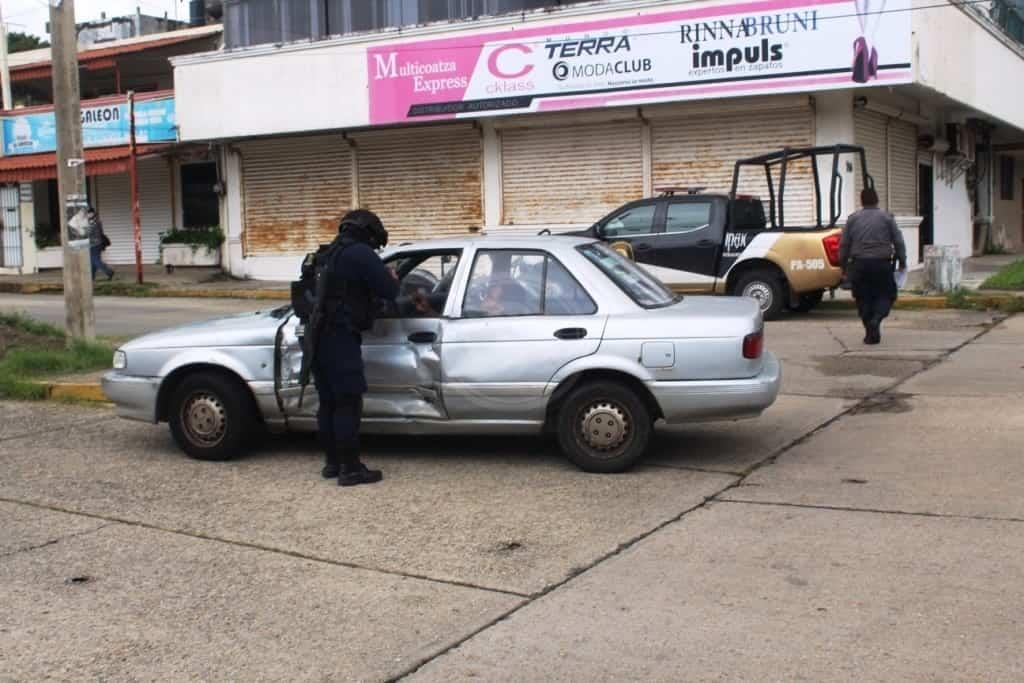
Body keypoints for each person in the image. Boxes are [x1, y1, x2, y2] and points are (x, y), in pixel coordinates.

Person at [313, 209, 399, 486]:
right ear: (368, 232)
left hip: (317, 337)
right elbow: (389, 291)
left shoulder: (329, 253)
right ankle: (351, 469)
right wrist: (392, 277)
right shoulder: (360, 254)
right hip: (340, 337)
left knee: (328, 403)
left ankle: (332, 464)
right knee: (348, 402)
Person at [839, 188, 907, 345]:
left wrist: (843, 267)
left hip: (859, 265)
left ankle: (871, 334)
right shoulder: (887, 218)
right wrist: (902, 262)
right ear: (877, 200)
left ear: (861, 201)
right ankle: (876, 319)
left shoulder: (853, 219)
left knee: (863, 299)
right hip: (882, 264)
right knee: (886, 295)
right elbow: (898, 242)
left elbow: (844, 245)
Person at [87, 208, 114, 281]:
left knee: (95, 260)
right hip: (97, 243)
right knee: (92, 261)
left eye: (89, 213)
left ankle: (109, 271)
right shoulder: (97, 221)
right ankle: (91, 277)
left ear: (92, 213)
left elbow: (89, 232)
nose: (87, 215)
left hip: (94, 244)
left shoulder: (93, 222)